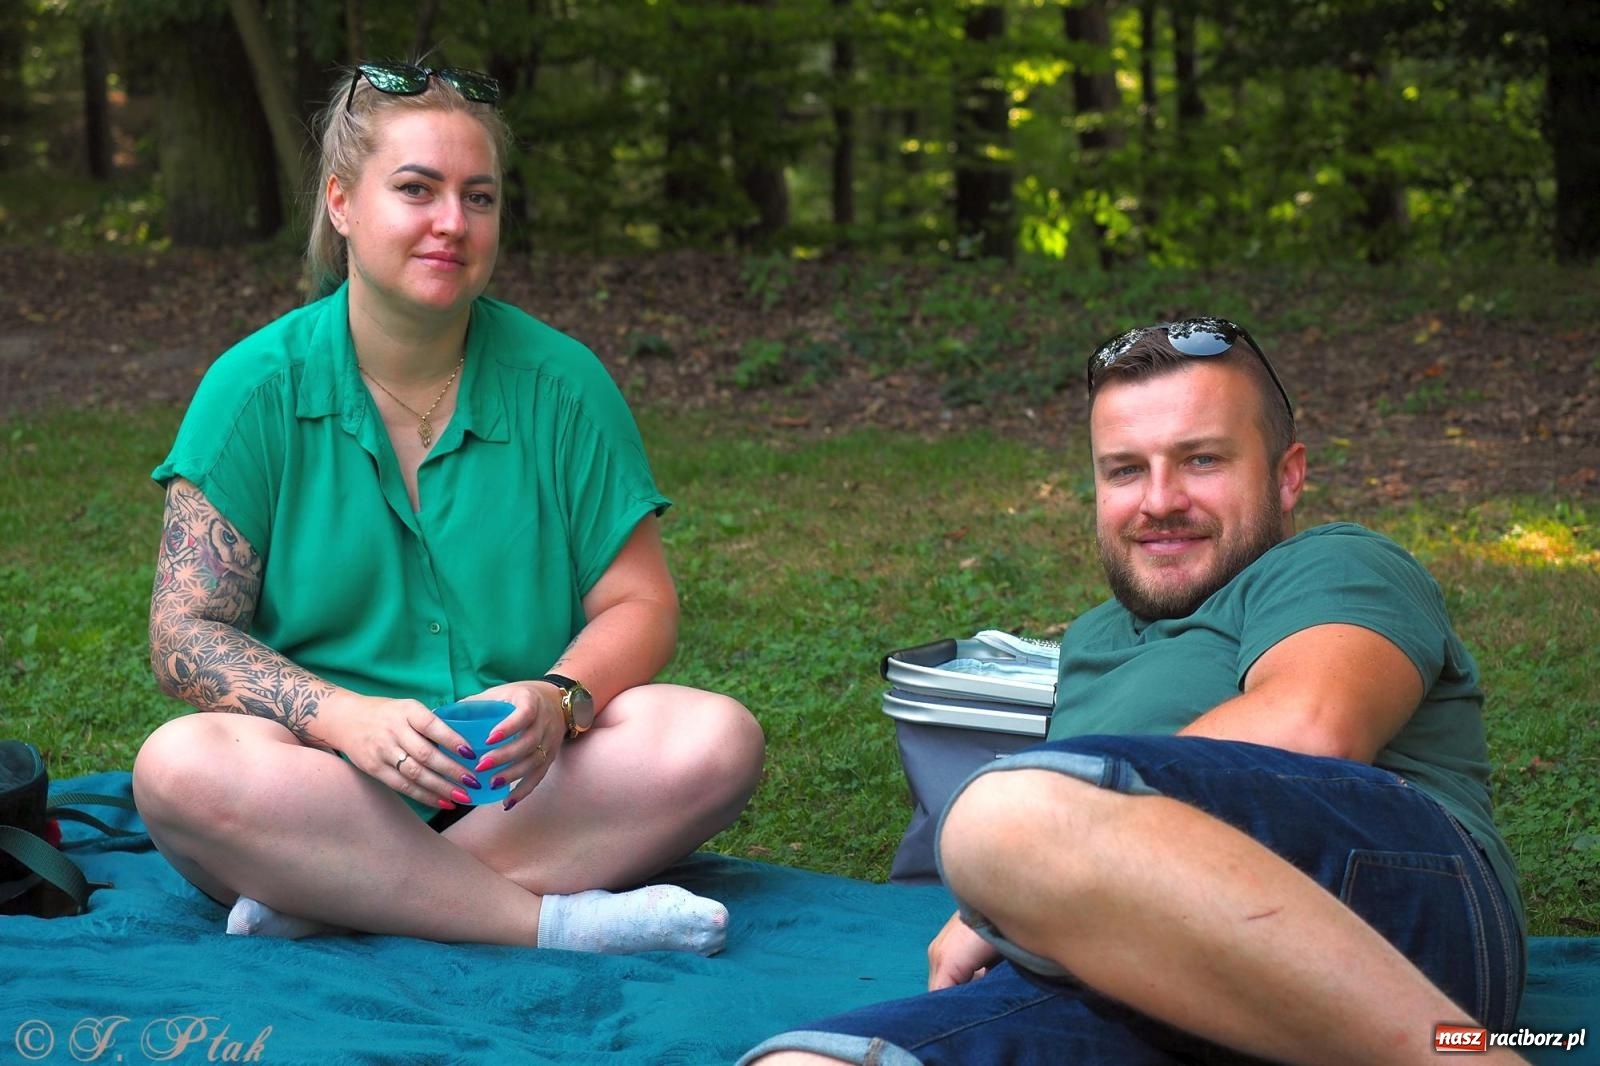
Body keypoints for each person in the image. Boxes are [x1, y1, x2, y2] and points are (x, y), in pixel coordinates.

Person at [741, 318, 1526, 1064]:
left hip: (1397, 928)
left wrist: (1024, 857)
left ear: (1287, 476)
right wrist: (1038, 880)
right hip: (1153, 975)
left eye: (1202, 460)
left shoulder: (1335, 563)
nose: (1158, 501)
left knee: (1005, 811)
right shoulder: (1092, 641)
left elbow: (1314, 726)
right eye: (1125, 469)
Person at [132, 61, 764, 955]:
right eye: (417, 190)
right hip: (321, 783)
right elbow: (184, 636)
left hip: (521, 786)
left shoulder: (564, 385)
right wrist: (343, 718)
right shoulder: (252, 389)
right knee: (179, 767)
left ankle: (343, 894)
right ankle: (551, 925)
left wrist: (560, 698)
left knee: (714, 738)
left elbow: (641, 605)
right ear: (343, 202)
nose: (451, 224)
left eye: (479, 197)